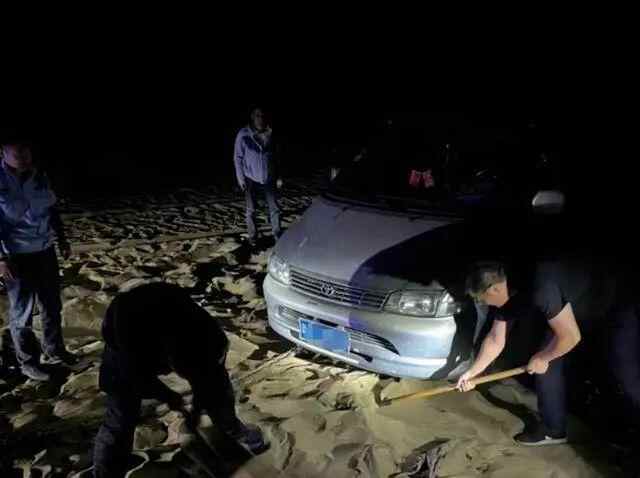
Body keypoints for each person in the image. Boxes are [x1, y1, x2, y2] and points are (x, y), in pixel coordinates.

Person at [92, 283, 264, 478]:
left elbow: (209, 378)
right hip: (127, 335)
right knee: (121, 414)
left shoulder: (210, 338)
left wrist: (195, 413)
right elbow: (138, 376)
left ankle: (232, 431)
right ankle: (106, 472)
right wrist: (168, 396)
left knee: (217, 391)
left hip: (173, 330)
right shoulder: (128, 335)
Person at [457, 260, 588, 446]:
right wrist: (472, 373)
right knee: (546, 351)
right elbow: (495, 339)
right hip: (559, 301)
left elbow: (571, 336)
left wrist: (544, 357)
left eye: (481, 299)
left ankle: (555, 431)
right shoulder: (503, 286)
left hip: (597, 295)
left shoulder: (540, 287)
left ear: (494, 289)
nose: (482, 303)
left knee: (549, 361)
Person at [0, 143, 74, 382]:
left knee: (52, 305)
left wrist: (61, 238)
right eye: (16, 153)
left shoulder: (39, 175)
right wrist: (1, 259)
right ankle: (28, 362)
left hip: (45, 249)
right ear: (3, 153)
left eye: (26, 151)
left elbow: (51, 209)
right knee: (22, 312)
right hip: (15, 254)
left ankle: (55, 349)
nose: (22, 157)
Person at [233, 107, 282, 246]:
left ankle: (277, 235)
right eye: (257, 115)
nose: (260, 118)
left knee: (274, 208)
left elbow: (276, 156)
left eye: (262, 115)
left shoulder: (271, 133)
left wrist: (279, 176)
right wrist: (240, 178)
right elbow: (237, 157)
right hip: (251, 178)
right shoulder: (243, 134)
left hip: (269, 177)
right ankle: (253, 238)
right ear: (252, 117)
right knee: (251, 210)